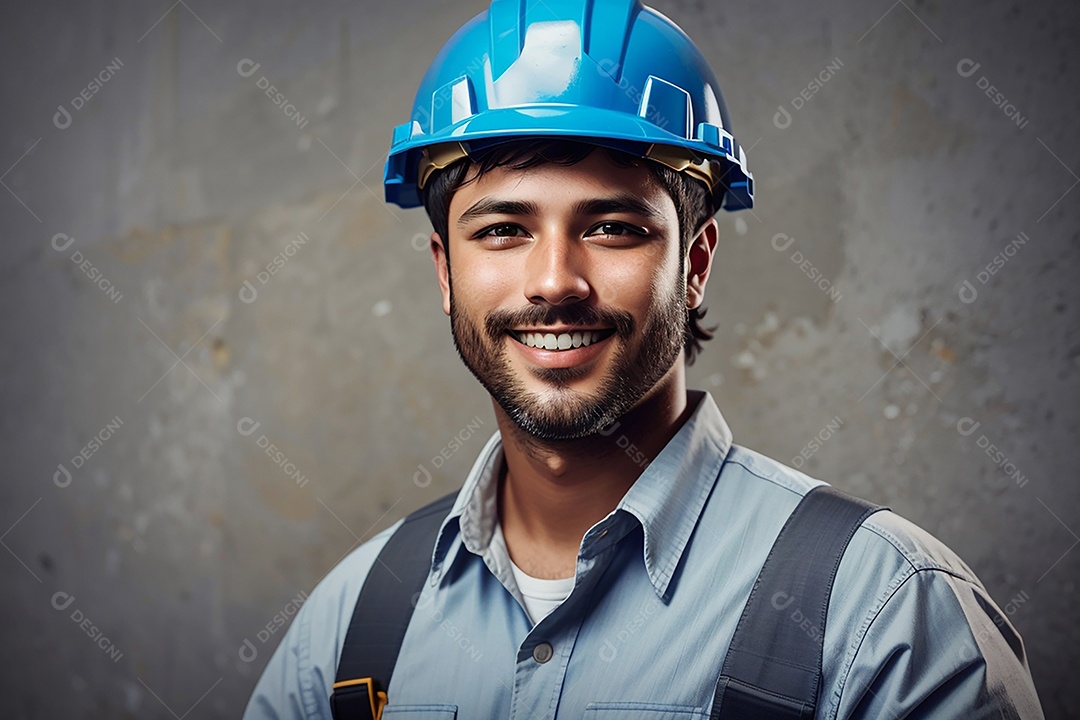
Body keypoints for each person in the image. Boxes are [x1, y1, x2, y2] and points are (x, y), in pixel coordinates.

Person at [243, 0, 1044, 717]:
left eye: (612, 228)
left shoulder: (886, 616)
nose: (555, 281)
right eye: (501, 230)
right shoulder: (349, 629)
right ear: (444, 271)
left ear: (694, 264)